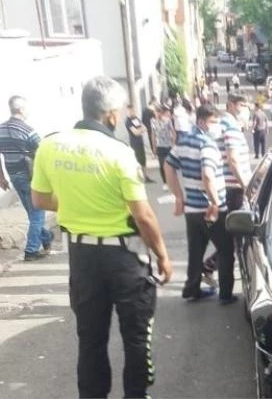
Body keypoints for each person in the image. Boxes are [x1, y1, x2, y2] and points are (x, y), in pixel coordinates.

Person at [30, 76, 172, 398]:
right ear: (110, 114)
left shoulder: (50, 146)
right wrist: (163, 256)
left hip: (82, 258)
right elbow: (143, 215)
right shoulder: (119, 152)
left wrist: (77, 203)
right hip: (124, 258)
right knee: (136, 337)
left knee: (91, 339)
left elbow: (39, 199)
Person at [164, 104, 237, 304]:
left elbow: (168, 166)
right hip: (212, 210)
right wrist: (214, 202)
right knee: (226, 251)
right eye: (214, 122)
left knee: (195, 251)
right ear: (202, 122)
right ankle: (226, 294)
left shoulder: (183, 141)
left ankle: (192, 289)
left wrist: (179, 196)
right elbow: (207, 175)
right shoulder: (208, 145)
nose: (217, 127)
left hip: (192, 209)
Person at [201, 95, 254, 287]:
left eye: (246, 105)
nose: (245, 109)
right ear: (230, 105)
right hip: (234, 188)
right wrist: (246, 186)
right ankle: (217, 268)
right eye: (241, 105)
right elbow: (233, 160)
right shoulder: (230, 127)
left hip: (229, 187)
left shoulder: (225, 125)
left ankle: (209, 266)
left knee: (232, 235)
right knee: (238, 233)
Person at [0, 96, 53, 261]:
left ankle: (46, 238)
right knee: (37, 213)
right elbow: (43, 153)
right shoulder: (28, 130)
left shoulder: (1, 129)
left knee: (32, 213)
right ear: (21, 110)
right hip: (30, 177)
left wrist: (1, 177)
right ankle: (31, 250)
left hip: (13, 176)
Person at [125, 106, 155, 183]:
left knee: (143, 160)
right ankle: (139, 177)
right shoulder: (128, 122)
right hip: (134, 144)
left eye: (132, 110)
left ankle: (145, 177)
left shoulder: (136, 119)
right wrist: (140, 130)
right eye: (130, 111)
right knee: (137, 161)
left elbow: (145, 127)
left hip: (141, 142)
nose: (132, 112)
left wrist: (140, 130)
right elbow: (136, 133)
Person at [150, 105, 175, 190]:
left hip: (168, 145)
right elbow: (153, 134)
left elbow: (173, 131)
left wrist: (173, 143)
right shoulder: (153, 121)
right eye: (155, 112)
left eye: (158, 112)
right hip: (159, 146)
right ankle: (165, 182)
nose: (157, 114)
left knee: (169, 164)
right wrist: (154, 147)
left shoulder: (167, 121)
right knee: (161, 165)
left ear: (161, 113)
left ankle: (171, 180)